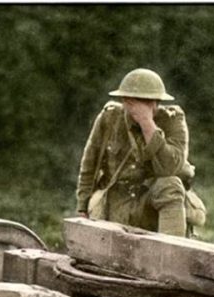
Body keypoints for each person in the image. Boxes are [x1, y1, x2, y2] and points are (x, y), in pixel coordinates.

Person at [75, 68, 195, 237]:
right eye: (133, 101)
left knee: (171, 185)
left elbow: (170, 168)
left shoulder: (172, 120)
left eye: (146, 102)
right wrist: (82, 208)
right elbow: (89, 165)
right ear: (125, 101)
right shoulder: (109, 119)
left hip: (150, 204)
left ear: (156, 102)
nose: (138, 107)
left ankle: (172, 253)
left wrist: (148, 124)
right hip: (117, 204)